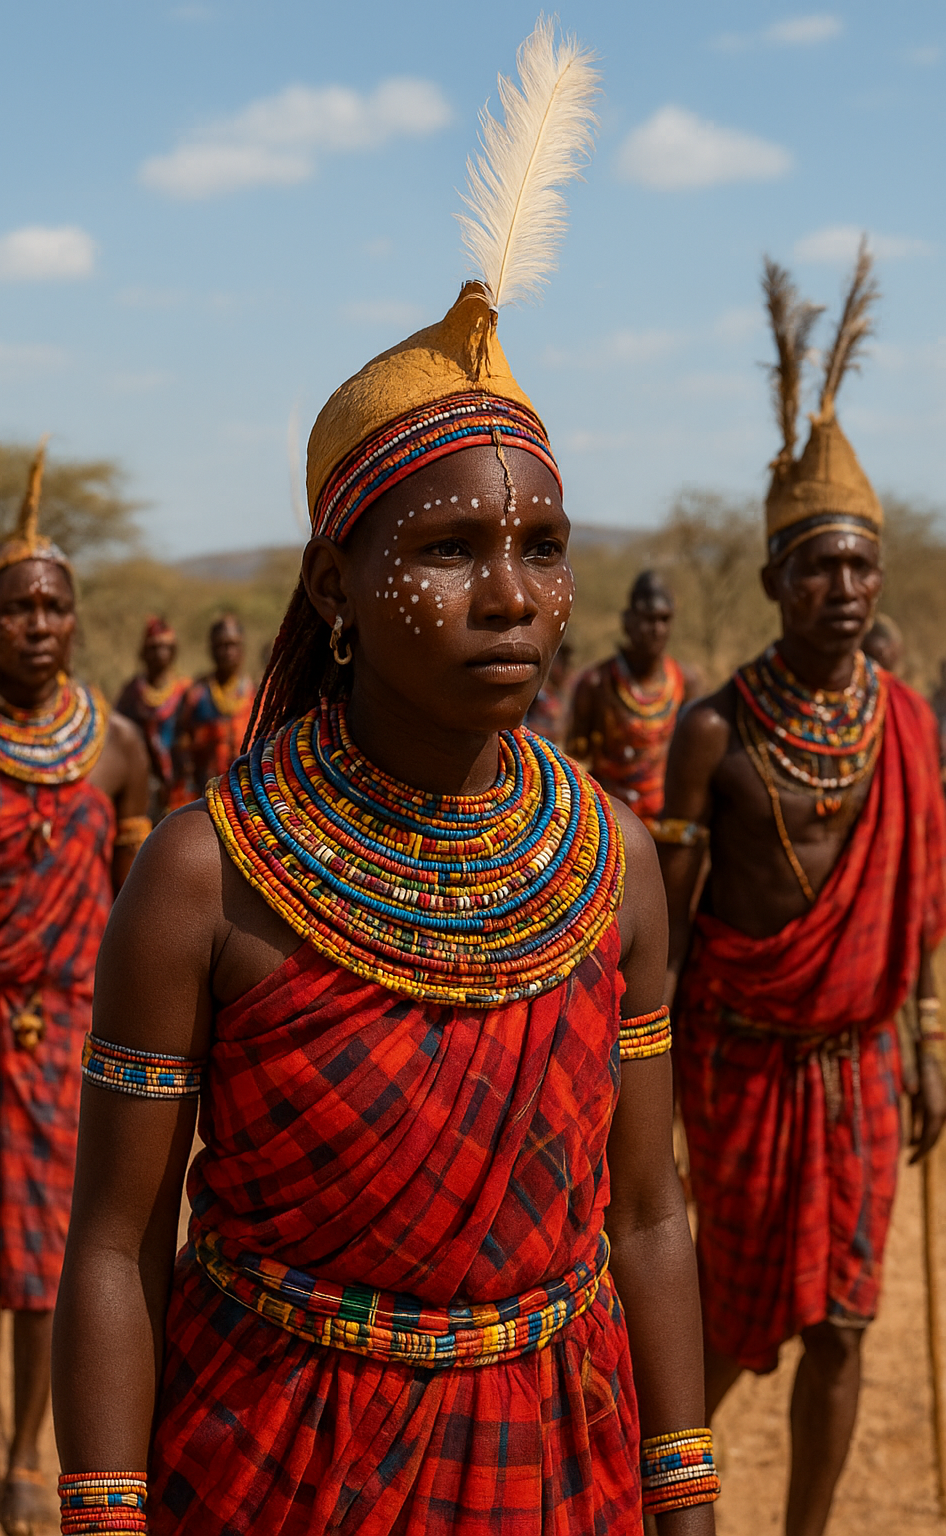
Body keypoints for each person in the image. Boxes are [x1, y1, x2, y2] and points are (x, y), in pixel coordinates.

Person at [52, 23, 717, 1536]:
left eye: (540, 548)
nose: (511, 593)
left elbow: (655, 1214)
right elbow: (110, 1247)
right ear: (336, 588)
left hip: (556, 1462)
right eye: (445, 549)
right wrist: (102, 1514)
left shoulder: (611, 863)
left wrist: (687, 1506)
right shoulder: (204, 874)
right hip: (273, 1462)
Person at [658, 246, 946, 1536]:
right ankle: (650, 1493)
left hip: (859, 1060)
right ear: (773, 580)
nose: (843, 588)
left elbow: (923, 899)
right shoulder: (713, 731)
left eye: (860, 566)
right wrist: (638, 1085)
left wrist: (927, 1040)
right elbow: (663, 930)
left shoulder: (906, 722)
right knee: (723, 1315)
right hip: (736, 1061)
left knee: (844, 1324)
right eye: (817, 567)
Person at [0, 445, 149, 1535]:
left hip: (70, 1031)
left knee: (57, 1252)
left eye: (56, 605)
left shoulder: (118, 753)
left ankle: (23, 1448)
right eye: (16, 608)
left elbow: (138, 923)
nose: (40, 624)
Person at [568, 572, 699, 825]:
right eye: (647, 619)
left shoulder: (686, 682)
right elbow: (575, 761)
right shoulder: (597, 684)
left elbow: (690, 764)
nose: (656, 629)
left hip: (665, 819)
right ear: (627, 621)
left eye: (664, 619)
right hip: (610, 820)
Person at [116, 618, 191, 822]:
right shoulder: (131, 694)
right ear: (144, 652)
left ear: (174, 652)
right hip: (143, 787)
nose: (160, 653)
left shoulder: (186, 691)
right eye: (154, 647)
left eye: (166, 647)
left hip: (181, 787)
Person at [173, 614, 254, 798]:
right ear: (211, 649)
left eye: (232, 644)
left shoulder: (257, 695)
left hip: (249, 793)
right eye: (221, 645)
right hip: (205, 794)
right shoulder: (196, 694)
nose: (227, 651)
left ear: (242, 649)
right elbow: (180, 743)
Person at [524, 637, 573, 742]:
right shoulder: (537, 693)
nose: (565, 667)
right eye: (561, 662)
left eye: (566, 662)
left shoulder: (565, 692)